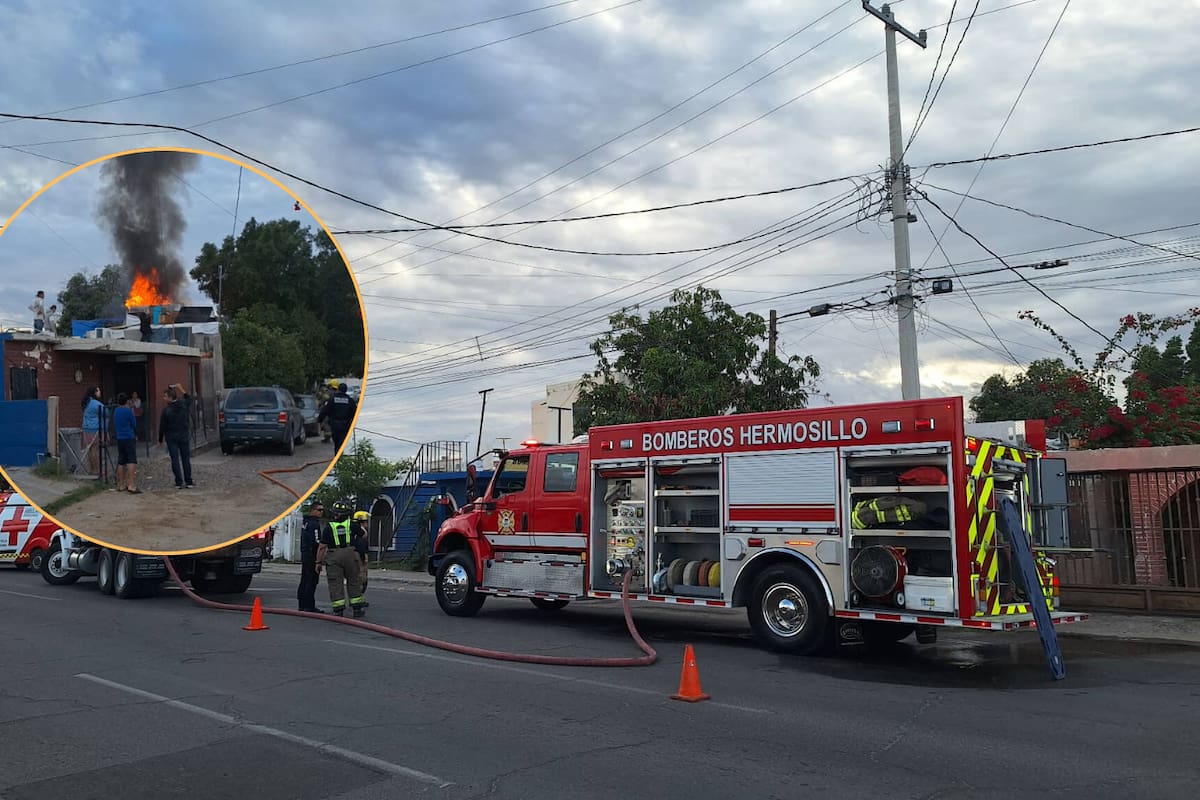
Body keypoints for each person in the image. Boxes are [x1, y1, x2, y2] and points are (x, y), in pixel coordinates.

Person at [315, 500, 367, 617]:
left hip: (334, 556)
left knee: (335, 583)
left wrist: (318, 562)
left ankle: (338, 610)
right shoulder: (351, 525)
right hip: (350, 554)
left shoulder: (329, 527)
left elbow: (322, 547)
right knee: (354, 580)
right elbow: (364, 535)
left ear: (335, 514)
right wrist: (360, 525)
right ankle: (357, 609)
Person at [158, 384, 194, 488]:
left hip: (171, 436)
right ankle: (189, 481)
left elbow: (162, 426)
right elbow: (189, 398)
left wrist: (160, 439)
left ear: (170, 397)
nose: (164, 398)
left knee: (175, 459)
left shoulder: (166, 410)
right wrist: (180, 387)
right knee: (185, 459)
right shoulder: (183, 405)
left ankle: (179, 481)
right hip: (183, 435)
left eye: (165, 396)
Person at [297, 500, 326, 613]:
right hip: (311, 555)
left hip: (305, 553)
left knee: (304, 579)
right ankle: (309, 606)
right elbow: (316, 541)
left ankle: (302, 604)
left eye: (323, 510)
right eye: (319, 510)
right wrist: (318, 559)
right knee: (311, 580)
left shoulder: (306, 522)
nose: (321, 512)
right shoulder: (314, 524)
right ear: (313, 510)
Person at [317, 382, 357, 453]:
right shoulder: (350, 401)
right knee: (343, 443)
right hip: (346, 426)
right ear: (346, 390)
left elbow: (325, 411)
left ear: (338, 389)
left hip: (335, 426)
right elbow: (355, 413)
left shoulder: (332, 400)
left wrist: (319, 420)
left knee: (337, 444)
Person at [113, 393, 141, 494]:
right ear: (126, 401)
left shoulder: (116, 411)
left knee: (121, 461)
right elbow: (134, 423)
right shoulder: (128, 411)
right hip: (129, 436)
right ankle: (131, 485)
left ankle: (121, 484)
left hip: (119, 437)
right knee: (131, 460)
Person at [80, 386, 104, 475]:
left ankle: (92, 469)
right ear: (94, 392)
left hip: (86, 428)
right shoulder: (95, 403)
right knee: (95, 450)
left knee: (90, 449)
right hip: (94, 429)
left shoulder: (86, 402)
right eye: (98, 390)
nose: (100, 392)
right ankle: (97, 470)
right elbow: (106, 412)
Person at [351, 509, 370, 594]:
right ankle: (357, 598)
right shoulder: (361, 532)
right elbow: (360, 545)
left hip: (354, 555)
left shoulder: (353, 530)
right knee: (361, 578)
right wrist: (363, 557)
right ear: (362, 522)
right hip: (359, 557)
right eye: (366, 522)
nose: (367, 524)